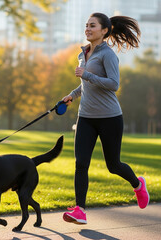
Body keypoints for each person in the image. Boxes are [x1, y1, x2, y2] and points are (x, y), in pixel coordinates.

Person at [62, 12, 149, 225]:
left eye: (92, 26)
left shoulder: (108, 55)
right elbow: (86, 85)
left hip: (110, 118)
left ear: (104, 30)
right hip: (86, 118)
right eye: (86, 25)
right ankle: (80, 210)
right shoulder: (83, 54)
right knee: (81, 163)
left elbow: (113, 84)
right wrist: (72, 95)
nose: (88, 29)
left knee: (113, 165)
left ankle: (138, 184)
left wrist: (87, 75)